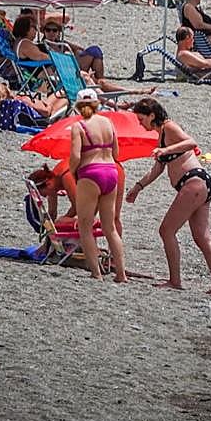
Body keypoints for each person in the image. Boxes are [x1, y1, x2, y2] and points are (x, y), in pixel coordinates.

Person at [127, 98, 211, 295]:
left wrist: (166, 149)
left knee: (166, 230)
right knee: (202, 238)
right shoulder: (161, 134)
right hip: (198, 184)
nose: (140, 123)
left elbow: (191, 143)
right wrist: (138, 187)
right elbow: (158, 168)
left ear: (152, 115)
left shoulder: (169, 127)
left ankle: (175, 280)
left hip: (194, 182)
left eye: (141, 119)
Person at [68, 89, 127, 282]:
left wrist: (73, 171)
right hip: (111, 171)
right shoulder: (108, 122)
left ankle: (96, 273)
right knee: (109, 227)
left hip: (90, 173)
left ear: (78, 106)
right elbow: (117, 153)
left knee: (85, 226)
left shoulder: (79, 126)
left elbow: (76, 156)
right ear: (97, 104)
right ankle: (121, 274)